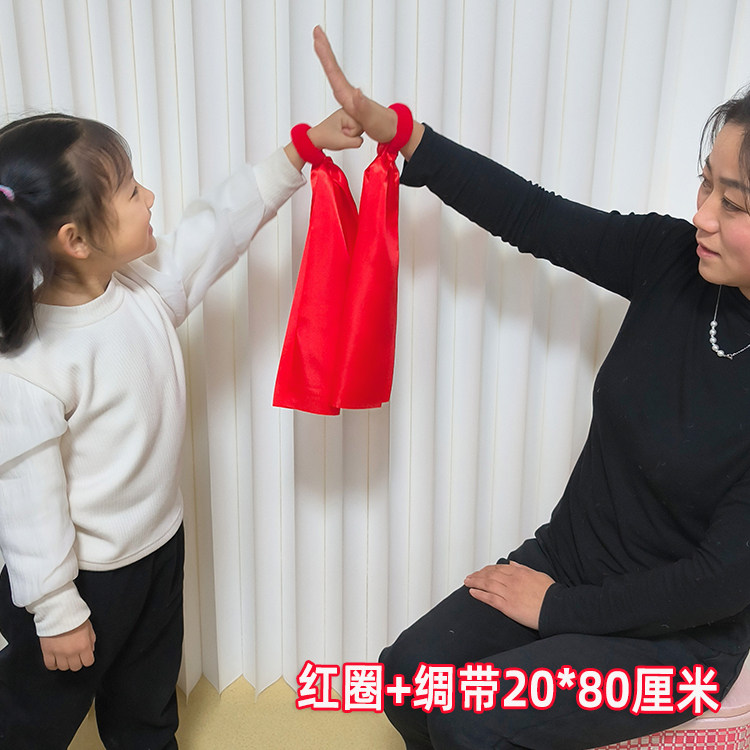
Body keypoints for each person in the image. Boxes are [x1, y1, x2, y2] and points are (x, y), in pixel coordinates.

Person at [314, 25, 750, 750]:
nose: (701, 213)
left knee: (470, 721)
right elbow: (535, 216)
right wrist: (406, 136)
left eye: (733, 203)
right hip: (576, 557)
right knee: (407, 680)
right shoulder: (672, 258)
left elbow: (715, 582)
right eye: (706, 182)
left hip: (682, 642)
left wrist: (557, 610)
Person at [0, 108, 362, 748]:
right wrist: (56, 609)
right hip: (78, 579)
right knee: (35, 714)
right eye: (130, 191)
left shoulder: (142, 290)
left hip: (158, 548)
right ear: (75, 239)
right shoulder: (31, 367)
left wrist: (300, 152)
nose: (150, 197)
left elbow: (214, 229)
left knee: (146, 699)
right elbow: (27, 503)